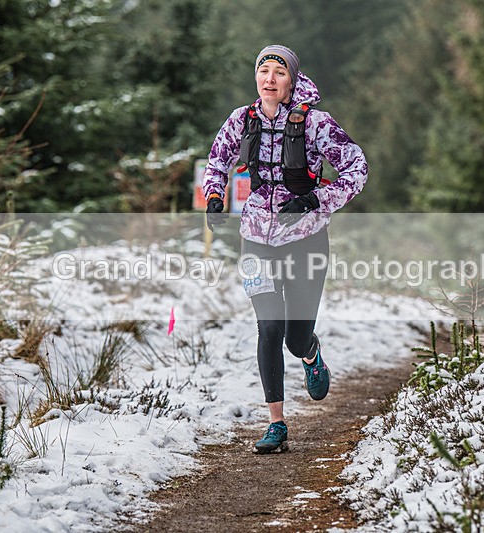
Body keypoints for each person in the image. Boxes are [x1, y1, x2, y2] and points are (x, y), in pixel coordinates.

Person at [203, 45, 368, 454]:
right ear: (256, 78)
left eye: (279, 72)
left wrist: (317, 201)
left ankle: (310, 353)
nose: (270, 78)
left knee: (294, 338)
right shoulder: (241, 120)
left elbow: (357, 167)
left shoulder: (316, 124)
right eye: (264, 71)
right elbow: (216, 161)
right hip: (256, 236)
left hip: (306, 237)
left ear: (291, 80)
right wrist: (213, 195)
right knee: (269, 327)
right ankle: (276, 423)